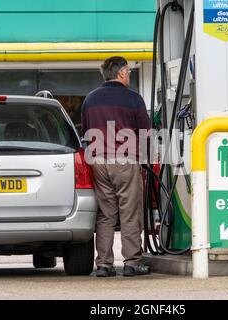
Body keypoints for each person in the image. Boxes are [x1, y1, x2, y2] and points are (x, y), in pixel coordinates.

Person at [81, 56, 151, 277]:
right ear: (121, 73)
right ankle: (132, 262)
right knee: (129, 212)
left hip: (98, 162)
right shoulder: (133, 99)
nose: (129, 75)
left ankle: (103, 264)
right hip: (124, 160)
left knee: (105, 214)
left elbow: (85, 130)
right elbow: (146, 132)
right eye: (128, 71)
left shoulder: (90, 100)